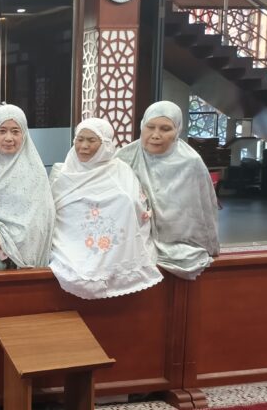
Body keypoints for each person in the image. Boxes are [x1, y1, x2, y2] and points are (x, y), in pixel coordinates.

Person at [48, 118, 162, 299]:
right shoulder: (63, 173)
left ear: (106, 144)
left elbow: (136, 206)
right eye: (79, 139)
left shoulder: (121, 171)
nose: (84, 146)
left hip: (117, 247)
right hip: (70, 243)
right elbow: (52, 213)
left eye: (92, 140)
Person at [116, 101, 220, 280]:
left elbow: (204, 211)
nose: (155, 135)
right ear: (142, 126)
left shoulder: (191, 163)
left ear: (177, 131)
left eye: (165, 129)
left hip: (180, 243)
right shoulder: (124, 157)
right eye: (150, 127)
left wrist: (211, 245)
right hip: (132, 242)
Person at [0, 104, 55, 270]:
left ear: (24, 135)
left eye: (15, 131)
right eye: (2, 131)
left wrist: (7, 241)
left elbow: (42, 220)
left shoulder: (35, 171)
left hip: (27, 259)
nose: (9, 138)